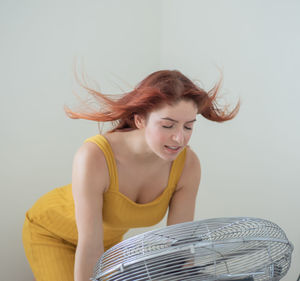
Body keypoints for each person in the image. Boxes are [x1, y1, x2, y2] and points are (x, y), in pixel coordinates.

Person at [22, 69, 239, 281]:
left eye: (188, 127)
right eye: (167, 125)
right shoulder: (94, 156)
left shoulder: (188, 165)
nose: (179, 138)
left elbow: (179, 248)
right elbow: (90, 247)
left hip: (108, 244)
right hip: (52, 233)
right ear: (140, 120)